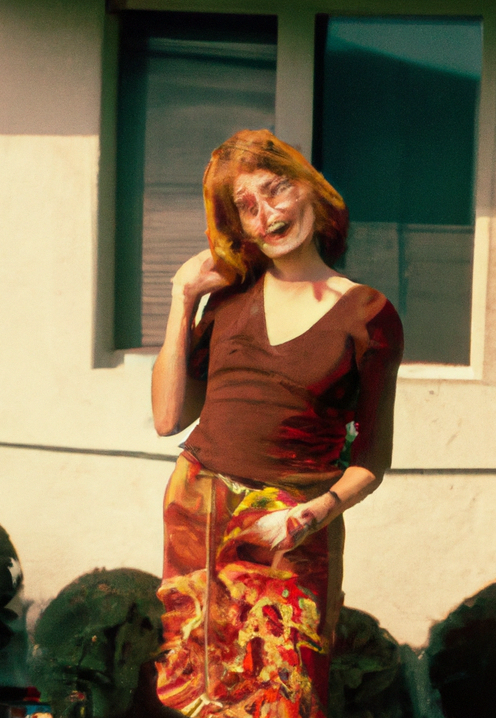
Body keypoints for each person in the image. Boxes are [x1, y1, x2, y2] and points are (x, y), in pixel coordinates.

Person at [151, 129, 403, 718]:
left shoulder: (367, 314)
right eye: (247, 206)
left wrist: (312, 515)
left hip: (294, 523)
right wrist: (181, 297)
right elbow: (167, 418)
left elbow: (371, 460)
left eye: (276, 189)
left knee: (282, 695)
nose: (268, 214)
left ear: (309, 190)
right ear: (239, 227)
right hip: (200, 511)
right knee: (200, 694)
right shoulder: (228, 301)